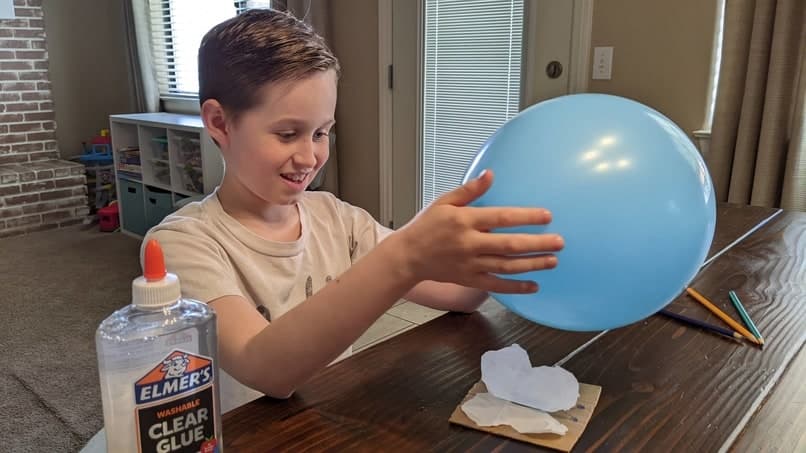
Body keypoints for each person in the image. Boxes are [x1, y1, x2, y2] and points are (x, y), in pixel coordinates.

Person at [145, 8, 564, 414]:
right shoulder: (182, 244)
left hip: (328, 420)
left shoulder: (337, 219)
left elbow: (458, 297)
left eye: (321, 132)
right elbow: (266, 370)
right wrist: (403, 257)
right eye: (288, 133)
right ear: (219, 122)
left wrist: (499, 242)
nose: (310, 156)